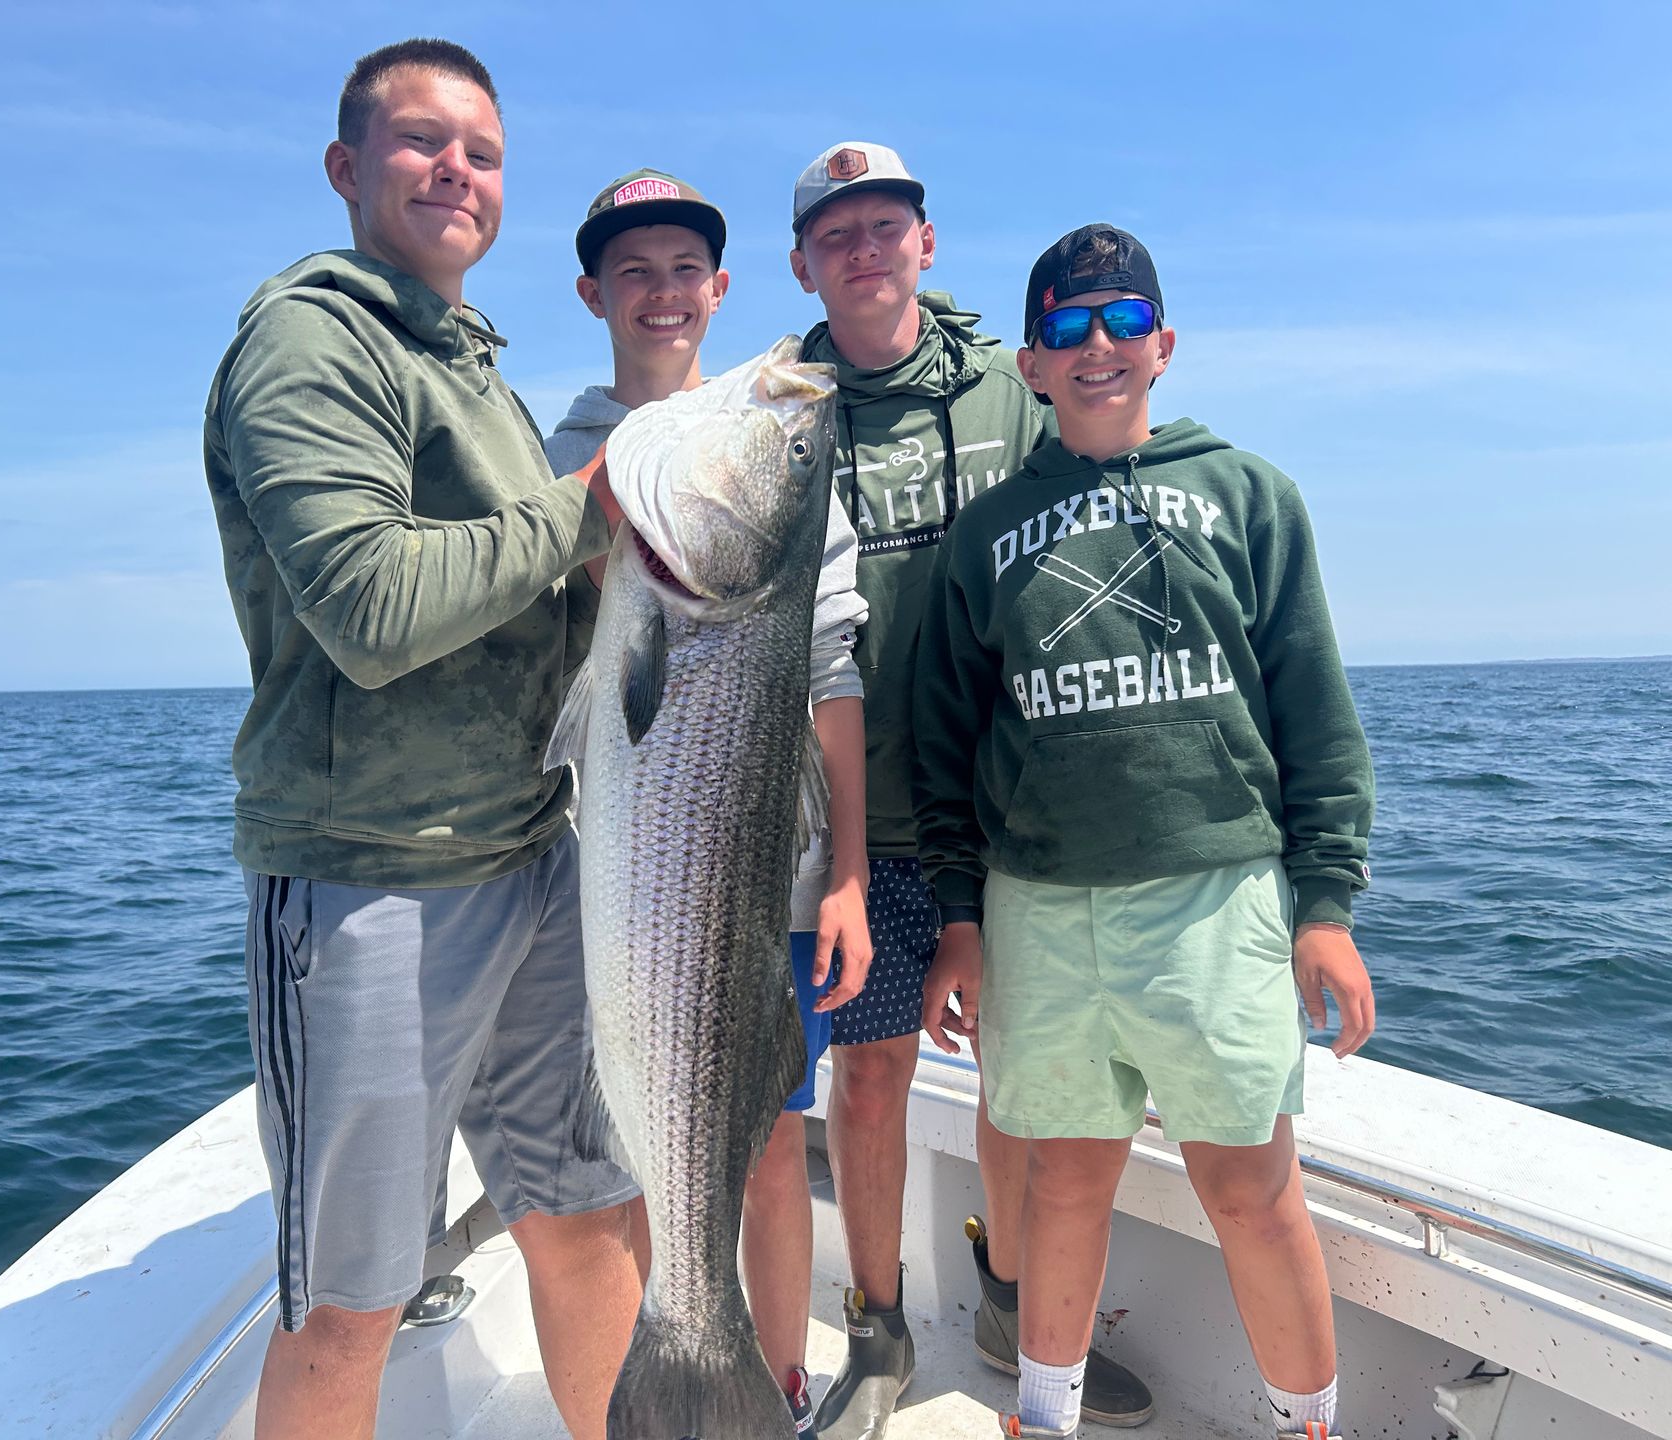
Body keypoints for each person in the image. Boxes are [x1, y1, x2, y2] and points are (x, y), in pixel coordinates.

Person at [201, 39, 642, 1440]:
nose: (458, 168)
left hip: (532, 858)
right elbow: (372, 605)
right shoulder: (310, 339)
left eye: (485, 151)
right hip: (372, 879)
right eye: (420, 141)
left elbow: (544, 606)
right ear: (346, 169)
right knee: (352, 1303)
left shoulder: (480, 376)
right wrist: (595, 507)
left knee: (589, 1215)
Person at [912, 223, 1376, 1440]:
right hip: (1039, 912)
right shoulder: (982, 539)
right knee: (1064, 1178)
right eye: (1068, 328)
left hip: (1218, 900)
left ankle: (1305, 1426)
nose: (1099, 346)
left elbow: (1314, 710)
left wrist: (1324, 908)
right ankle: (1043, 1416)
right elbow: (947, 751)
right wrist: (960, 922)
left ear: (1165, 345)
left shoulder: (1250, 494)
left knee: (1251, 1189)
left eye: (1122, 323)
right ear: (1033, 365)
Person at [789, 145, 1154, 1437]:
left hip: (1007, 818)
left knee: (1017, 1083)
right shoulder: (781, 410)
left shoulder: (1011, 387)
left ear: (926, 245)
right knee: (873, 1080)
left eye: (886, 226)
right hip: (858, 818)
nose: (865, 249)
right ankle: (877, 1333)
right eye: (838, 234)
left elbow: (1117, 491)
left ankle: (1007, 1302)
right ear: (803, 263)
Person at [542, 167, 875, 1434]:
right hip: (621, 886)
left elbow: (834, 664)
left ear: (721, 286)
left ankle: (769, 1382)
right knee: (635, 1138)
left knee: (771, 1139)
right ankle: (677, 1353)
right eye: (636, 270)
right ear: (594, 293)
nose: (665, 291)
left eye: (687, 269)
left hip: (761, 865)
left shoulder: (768, 459)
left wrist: (847, 871)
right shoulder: (559, 451)